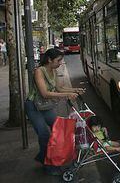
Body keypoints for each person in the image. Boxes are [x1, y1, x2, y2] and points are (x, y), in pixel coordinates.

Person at [25, 48, 85, 176]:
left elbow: (59, 88)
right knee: (44, 135)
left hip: (46, 107)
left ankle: (43, 156)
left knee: (59, 130)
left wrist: (75, 90)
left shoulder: (53, 70)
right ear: (49, 60)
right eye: (58, 60)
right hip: (34, 107)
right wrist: (68, 94)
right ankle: (48, 165)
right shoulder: (39, 72)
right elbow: (45, 93)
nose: (60, 63)